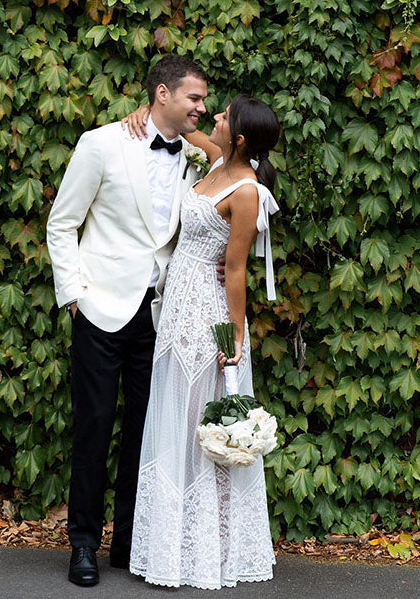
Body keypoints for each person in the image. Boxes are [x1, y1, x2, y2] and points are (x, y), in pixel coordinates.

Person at [46, 54, 209, 587]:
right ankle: (84, 545)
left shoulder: (194, 153)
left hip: (161, 312)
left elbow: (236, 161)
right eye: (194, 98)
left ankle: (131, 542)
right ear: (162, 95)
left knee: (146, 431)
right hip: (100, 307)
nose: (201, 109)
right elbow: (62, 222)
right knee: (93, 427)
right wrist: (74, 294)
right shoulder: (101, 143)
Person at [121, 95, 281, 588]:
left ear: (238, 138)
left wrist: (234, 333)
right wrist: (143, 114)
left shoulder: (247, 189)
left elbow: (235, 268)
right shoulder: (215, 160)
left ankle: (205, 550)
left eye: (223, 116)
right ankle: (170, 543)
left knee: (196, 418)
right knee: (171, 414)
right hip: (177, 307)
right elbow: (180, 127)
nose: (211, 115)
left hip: (209, 313)